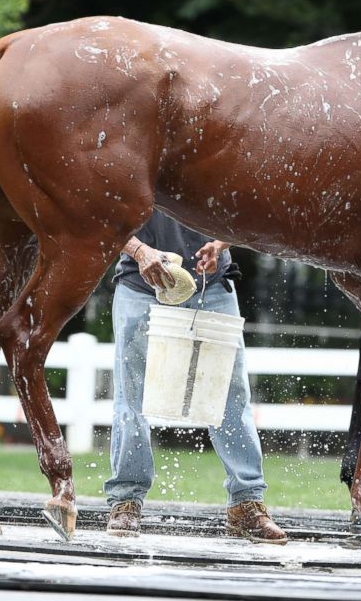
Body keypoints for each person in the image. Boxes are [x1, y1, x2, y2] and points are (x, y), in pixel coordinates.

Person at [103, 209, 287, 545]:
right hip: (139, 282)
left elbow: (249, 211)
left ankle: (246, 503)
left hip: (212, 284)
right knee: (132, 399)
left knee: (231, 397)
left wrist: (220, 243)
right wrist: (140, 251)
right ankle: (126, 500)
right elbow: (100, 215)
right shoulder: (124, 155)